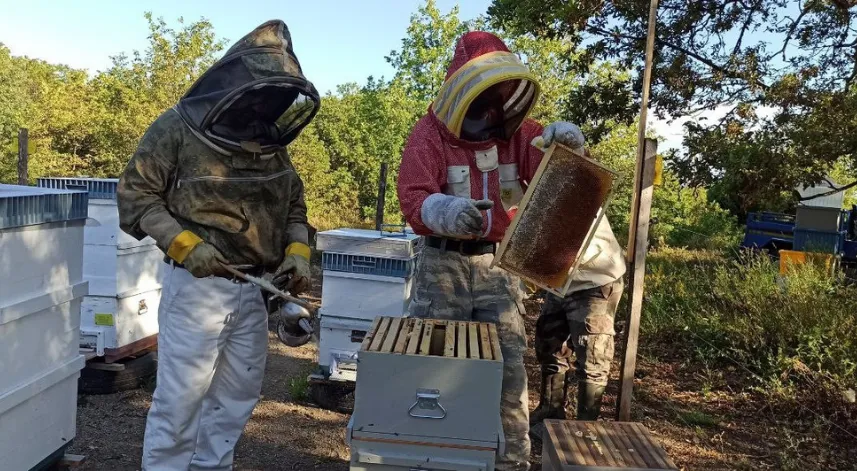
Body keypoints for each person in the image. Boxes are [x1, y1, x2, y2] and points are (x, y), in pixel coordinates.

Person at [117, 20, 319, 470]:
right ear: (237, 87)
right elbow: (136, 195)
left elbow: (294, 207)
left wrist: (298, 252)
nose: (265, 105)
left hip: (257, 289)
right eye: (260, 94)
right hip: (198, 292)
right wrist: (186, 245)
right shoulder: (175, 129)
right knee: (180, 403)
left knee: (236, 399)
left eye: (274, 97)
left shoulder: (268, 140)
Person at [397, 31, 586, 471]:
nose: (490, 111)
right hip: (441, 266)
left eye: (497, 98)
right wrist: (445, 210)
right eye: (483, 99)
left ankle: (510, 462)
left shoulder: (519, 136)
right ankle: (436, 459)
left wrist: (569, 146)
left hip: (498, 266)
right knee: (435, 364)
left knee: (506, 371)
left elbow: (562, 178)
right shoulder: (430, 134)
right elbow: (413, 195)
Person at [529, 215, 626, 435]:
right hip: (560, 281)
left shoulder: (580, 186)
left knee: (592, 357)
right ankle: (550, 413)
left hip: (595, 281)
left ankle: (585, 427)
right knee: (550, 345)